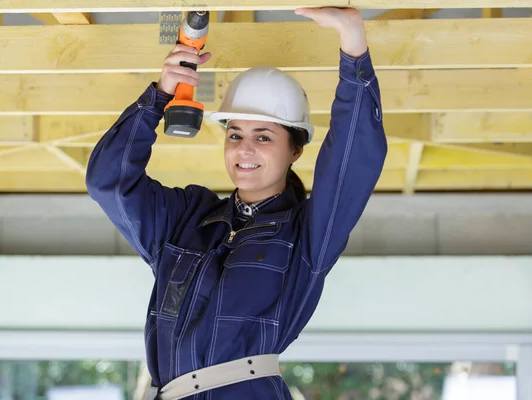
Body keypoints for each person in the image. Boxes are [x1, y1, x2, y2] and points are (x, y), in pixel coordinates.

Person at [86, 6, 387, 399]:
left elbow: (354, 155)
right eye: (235, 135)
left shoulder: (308, 236)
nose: (244, 149)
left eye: (263, 137)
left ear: (295, 150)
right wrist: (159, 96)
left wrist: (353, 46)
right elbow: (109, 181)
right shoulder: (188, 219)